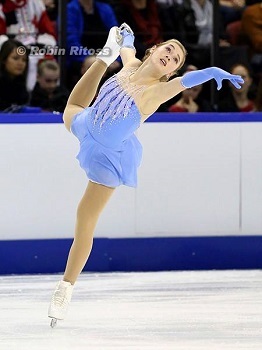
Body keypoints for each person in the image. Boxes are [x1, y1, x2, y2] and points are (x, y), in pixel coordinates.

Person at [47, 23, 244, 327]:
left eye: (176, 58)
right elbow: (129, 46)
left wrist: (212, 71)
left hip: (108, 158)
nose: (171, 56)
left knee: (84, 220)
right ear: (154, 50)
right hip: (86, 125)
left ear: (171, 71)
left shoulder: (159, 90)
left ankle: (65, 288)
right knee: (71, 108)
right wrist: (126, 38)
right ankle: (103, 57)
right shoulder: (130, 64)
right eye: (169, 49)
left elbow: (186, 80)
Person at [0, 38, 29, 111]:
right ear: (4, 59)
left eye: (24, 60)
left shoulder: (22, 87)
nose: (20, 63)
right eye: (15, 58)